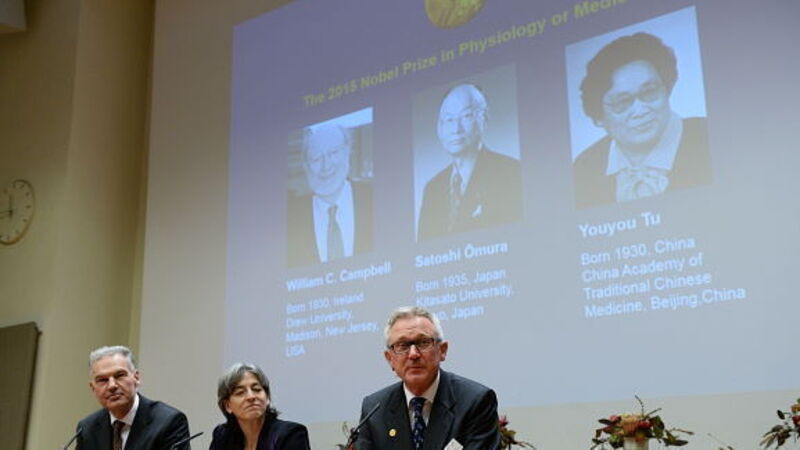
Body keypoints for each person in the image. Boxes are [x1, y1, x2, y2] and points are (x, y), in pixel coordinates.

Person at [573, 32, 713, 209]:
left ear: (666, 89)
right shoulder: (585, 167)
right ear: (598, 118)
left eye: (649, 92)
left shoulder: (711, 135)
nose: (640, 111)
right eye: (622, 102)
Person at [355, 306, 500, 449]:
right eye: (402, 345)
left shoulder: (475, 401)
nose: (413, 354)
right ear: (390, 359)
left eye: (423, 342)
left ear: (442, 350)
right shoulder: (374, 409)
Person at [417, 83, 523, 241]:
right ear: (439, 127)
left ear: (484, 119)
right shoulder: (433, 188)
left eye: (466, 116)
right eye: (449, 119)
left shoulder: (512, 173)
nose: (456, 129)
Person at [287, 123, 373, 267]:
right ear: (306, 166)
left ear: (347, 152)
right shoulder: (289, 218)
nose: (326, 166)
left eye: (333, 153)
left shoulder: (375, 198)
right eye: (316, 159)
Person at [75, 346, 191, 449]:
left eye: (119, 376)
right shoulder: (87, 429)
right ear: (93, 388)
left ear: (136, 378)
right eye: (103, 380)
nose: (112, 386)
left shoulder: (169, 422)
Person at [210, 362, 311, 450]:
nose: (251, 397)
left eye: (257, 389)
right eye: (240, 392)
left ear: (267, 398)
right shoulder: (222, 436)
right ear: (227, 405)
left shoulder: (290, 434)